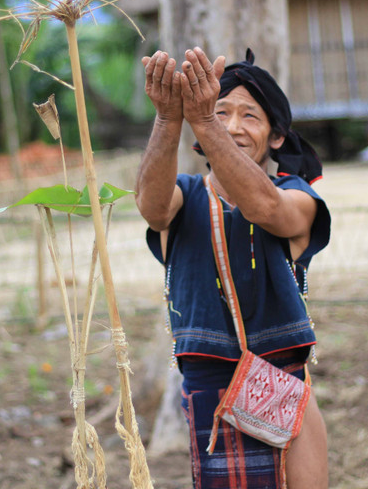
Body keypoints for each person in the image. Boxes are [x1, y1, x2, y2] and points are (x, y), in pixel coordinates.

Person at [134, 46, 331, 488]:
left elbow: (265, 207)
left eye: (250, 116)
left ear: (276, 137)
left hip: (282, 383)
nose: (233, 126)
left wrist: (205, 120)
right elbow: (153, 209)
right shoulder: (182, 196)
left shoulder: (297, 196)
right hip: (209, 389)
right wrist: (167, 119)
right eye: (221, 112)